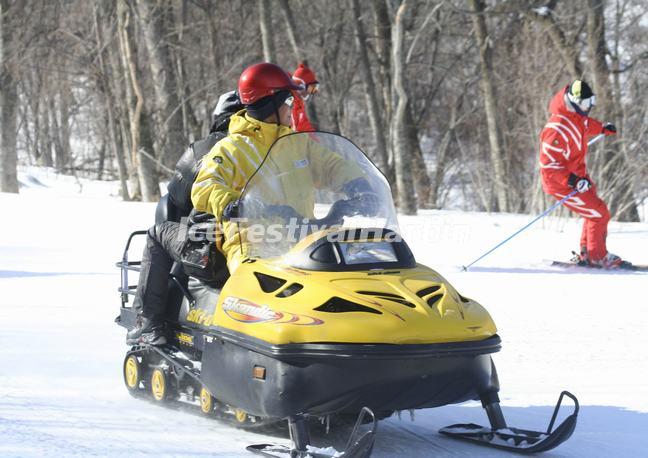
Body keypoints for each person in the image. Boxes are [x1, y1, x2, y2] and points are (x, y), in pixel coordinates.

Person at [191, 62, 368, 274]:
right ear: (270, 104)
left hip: (304, 245)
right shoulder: (232, 148)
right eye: (289, 100)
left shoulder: (297, 143)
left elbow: (331, 166)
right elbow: (205, 187)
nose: (293, 106)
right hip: (254, 250)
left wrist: (359, 184)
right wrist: (232, 204)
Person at [538, 80, 622, 268]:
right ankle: (597, 256)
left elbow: (585, 124)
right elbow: (549, 167)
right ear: (573, 100)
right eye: (585, 103)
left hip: (578, 177)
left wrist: (602, 128)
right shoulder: (556, 128)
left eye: (591, 102)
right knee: (598, 213)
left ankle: (588, 252)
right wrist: (572, 180)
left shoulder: (575, 115)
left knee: (596, 209)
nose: (588, 107)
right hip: (561, 183)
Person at [290, 62, 319, 132]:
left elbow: (304, 127)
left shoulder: (299, 104)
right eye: (311, 88)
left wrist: (316, 142)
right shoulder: (287, 103)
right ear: (301, 86)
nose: (311, 93)